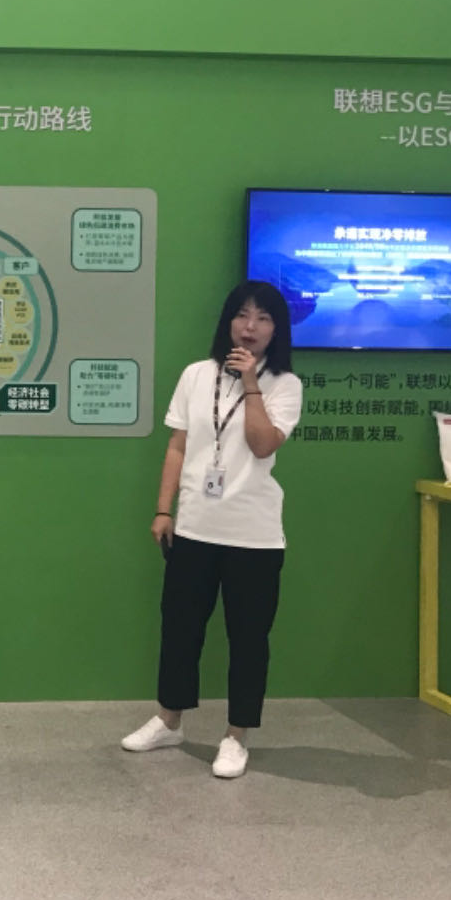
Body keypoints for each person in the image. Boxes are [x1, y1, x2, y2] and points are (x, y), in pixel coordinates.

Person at [120, 280, 303, 779]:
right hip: (195, 527)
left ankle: (236, 736)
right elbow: (178, 446)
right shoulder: (196, 375)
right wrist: (164, 510)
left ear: (277, 330)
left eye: (263, 318)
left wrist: (251, 384)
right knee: (180, 629)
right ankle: (169, 720)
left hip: (254, 535)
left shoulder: (285, 385)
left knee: (248, 638)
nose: (250, 327)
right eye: (242, 315)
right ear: (228, 321)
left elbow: (263, 445)